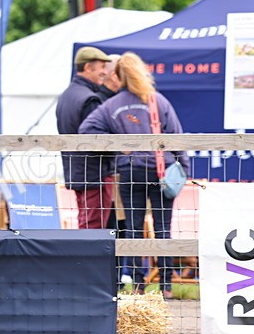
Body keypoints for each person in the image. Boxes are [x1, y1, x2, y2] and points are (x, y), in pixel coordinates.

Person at [80, 52, 189, 298]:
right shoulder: (158, 101)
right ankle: (166, 286)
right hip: (161, 170)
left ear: (118, 76)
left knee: (133, 228)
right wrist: (184, 168)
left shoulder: (112, 105)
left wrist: (117, 145)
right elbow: (176, 136)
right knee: (163, 229)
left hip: (130, 171)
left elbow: (86, 129)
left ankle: (139, 285)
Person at [56, 46, 118, 229]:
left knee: (87, 222)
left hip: (77, 172)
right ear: (89, 67)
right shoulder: (90, 99)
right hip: (94, 174)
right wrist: (120, 147)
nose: (105, 73)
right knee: (93, 228)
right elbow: (96, 140)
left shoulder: (67, 95)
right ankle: (87, 259)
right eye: (101, 67)